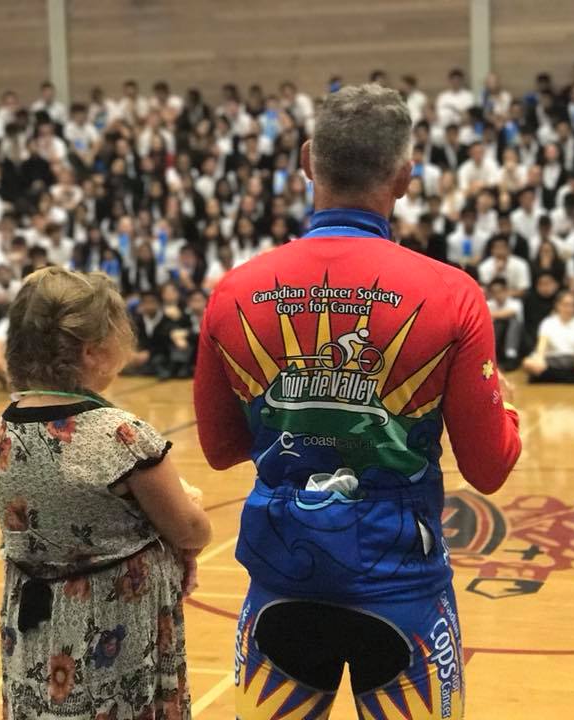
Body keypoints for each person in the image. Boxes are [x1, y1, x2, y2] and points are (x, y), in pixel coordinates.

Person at [193, 84, 521, 720]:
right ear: (403, 177)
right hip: (404, 593)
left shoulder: (234, 291)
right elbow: (489, 467)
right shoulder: (452, 295)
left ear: (308, 159)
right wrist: (508, 414)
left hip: (281, 584)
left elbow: (221, 449)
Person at [0, 267, 212, 719]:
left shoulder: (5, 428)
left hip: (34, 629)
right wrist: (194, 504)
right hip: (113, 629)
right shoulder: (119, 435)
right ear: (91, 352)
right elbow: (189, 529)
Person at [522, 290, 574, 383]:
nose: (569, 308)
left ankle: (553, 377)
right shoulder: (548, 322)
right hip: (551, 360)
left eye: (572, 305)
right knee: (527, 363)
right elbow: (542, 343)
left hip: (573, 361)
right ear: (558, 305)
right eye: (565, 304)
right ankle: (568, 377)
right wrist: (540, 358)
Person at [487, 277, 524, 370]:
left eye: (499, 291)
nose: (497, 295)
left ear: (506, 291)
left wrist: (493, 315)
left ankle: (511, 355)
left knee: (513, 322)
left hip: (516, 335)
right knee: (497, 325)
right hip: (497, 333)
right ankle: (492, 355)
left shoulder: (515, 303)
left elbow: (510, 313)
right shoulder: (489, 304)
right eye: (494, 292)